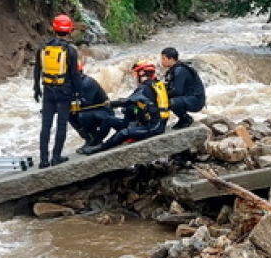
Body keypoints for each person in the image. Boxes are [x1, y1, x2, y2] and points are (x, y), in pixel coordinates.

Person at [83, 59, 170, 154]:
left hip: (154, 127)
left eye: (137, 74)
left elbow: (127, 101)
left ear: (142, 73)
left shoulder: (145, 88)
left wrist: (111, 104)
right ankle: (94, 143)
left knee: (124, 133)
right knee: (109, 120)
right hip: (144, 122)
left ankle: (100, 148)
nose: (136, 77)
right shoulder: (156, 84)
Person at [33, 14, 82, 168]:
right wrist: (79, 93)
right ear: (69, 30)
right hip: (64, 91)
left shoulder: (43, 47)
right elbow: (74, 75)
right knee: (61, 124)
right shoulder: (70, 50)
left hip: (48, 90)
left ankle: (43, 160)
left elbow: (37, 70)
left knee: (46, 125)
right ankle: (56, 157)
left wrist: (36, 87)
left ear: (54, 28)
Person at [69, 63, 120, 154]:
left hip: (103, 112)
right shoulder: (75, 84)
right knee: (69, 115)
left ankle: (95, 140)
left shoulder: (87, 82)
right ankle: (88, 139)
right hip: (92, 111)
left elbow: (85, 103)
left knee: (82, 116)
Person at [160, 47, 205, 129]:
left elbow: (177, 91)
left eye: (163, 58)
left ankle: (186, 119)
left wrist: (162, 95)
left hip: (195, 100)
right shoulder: (174, 69)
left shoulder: (180, 70)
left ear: (171, 59)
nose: (161, 61)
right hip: (188, 97)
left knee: (172, 102)